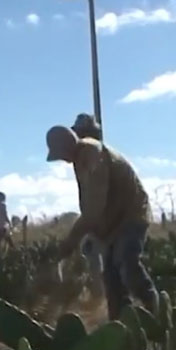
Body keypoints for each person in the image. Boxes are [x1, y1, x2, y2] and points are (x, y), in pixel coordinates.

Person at [45, 125, 159, 320]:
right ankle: (121, 324)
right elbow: (88, 203)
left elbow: (94, 208)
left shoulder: (91, 152)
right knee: (112, 280)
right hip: (111, 224)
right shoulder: (79, 160)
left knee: (126, 261)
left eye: (60, 154)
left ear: (66, 147)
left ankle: (155, 311)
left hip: (130, 215)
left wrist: (70, 243)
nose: (62, 159)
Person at [70, 113, 105, 298]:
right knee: (92, 253)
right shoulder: (83, 157)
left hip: (104, 216)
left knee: (97, 253)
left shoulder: (97, 155)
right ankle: (100, 295)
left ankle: (104, 297)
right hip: (93, 215)